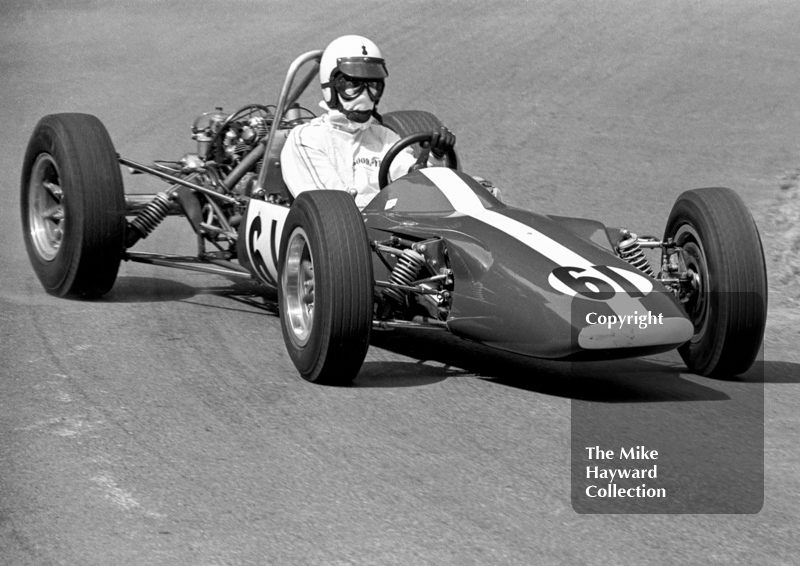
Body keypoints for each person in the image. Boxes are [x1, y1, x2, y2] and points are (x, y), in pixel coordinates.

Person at [280, 35, 456, 209]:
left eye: (372, 85)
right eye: (353, 84)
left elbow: (414, 179)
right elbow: (333, 210)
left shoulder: (384, 137)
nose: (365, 95)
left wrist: (435, 156)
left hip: (389, 225)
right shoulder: (308, 139)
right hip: (342, 231)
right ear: (331, 87)